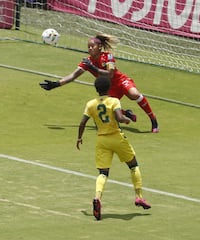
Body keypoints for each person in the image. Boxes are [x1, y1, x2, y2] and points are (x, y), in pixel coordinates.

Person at [40, 33, 159, 133]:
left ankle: (153, 119)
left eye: (92, 46)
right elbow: (73, 76)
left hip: (121, 81)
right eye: (88, 47)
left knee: (134, 95)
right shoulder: (88, 62)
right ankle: (126, 113)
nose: (90, 48)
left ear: (100, 47)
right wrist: (56, 84)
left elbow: (110, 73)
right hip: (109, 88)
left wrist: (92, 68)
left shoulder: (108, 57)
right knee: (107, 110)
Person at [76, 75, 151, 221]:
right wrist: (127, 119)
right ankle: (139, 197)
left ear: (96, 89)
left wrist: (79, 137)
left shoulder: (91, 104)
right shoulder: (114, 101)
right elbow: (119, 117)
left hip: (102, 140)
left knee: (103, 172)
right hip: (116, 137)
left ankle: (97, 197)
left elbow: (82, 122)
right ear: (109, 88)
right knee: (133, 165)